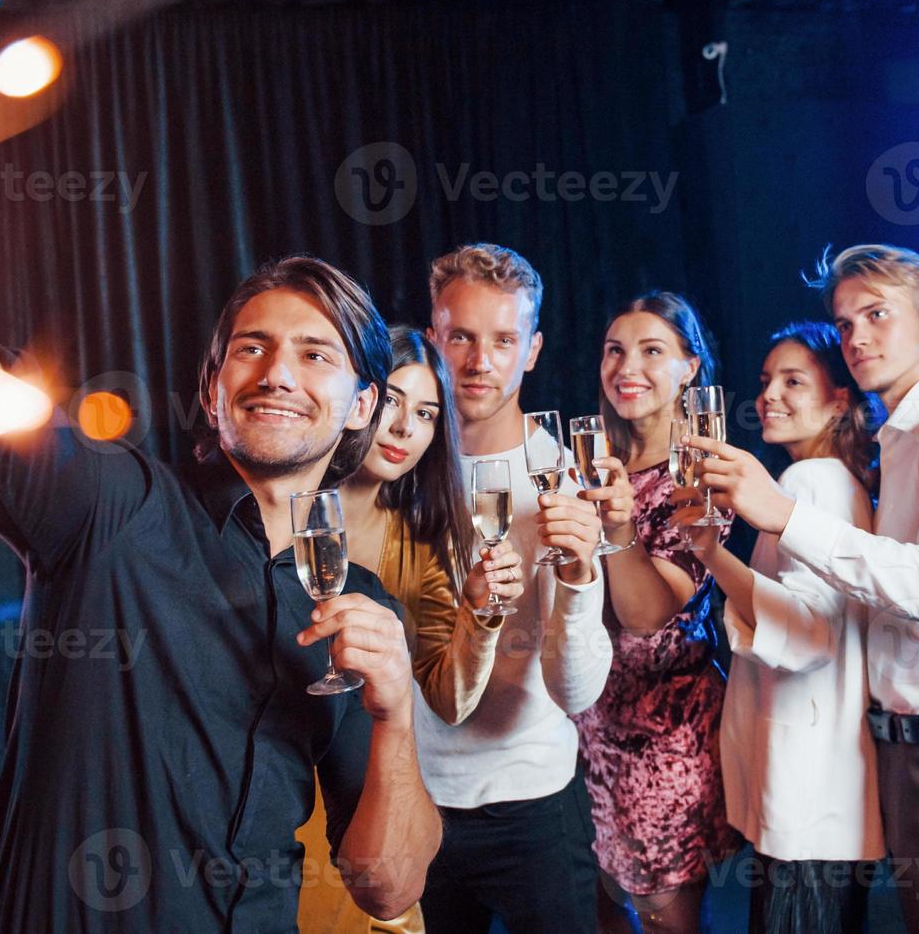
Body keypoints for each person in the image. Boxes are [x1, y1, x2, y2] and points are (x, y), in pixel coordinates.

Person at [0, 234, 442, 931]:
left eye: (315, 355)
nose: (277, 374)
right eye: (250, 348)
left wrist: (394, 717)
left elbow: (386, 887)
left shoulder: (360, 603)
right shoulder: (111, 504)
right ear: (211, 389)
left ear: (360, 406)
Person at [691, 245, 919, 933]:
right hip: (907, 748)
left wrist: (783, 517)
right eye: (845, 321)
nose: (855, 336)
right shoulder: (900, 443)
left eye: (876, 314)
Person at [295, 325, 524, 934]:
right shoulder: (284, 507)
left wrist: (481, 612)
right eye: (394, 400)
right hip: (267, 787)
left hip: (361, 800)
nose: (404, 429)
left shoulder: (420, 546)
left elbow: (449, 700)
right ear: (359, 397)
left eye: (426, 414)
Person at [419, 243, 609, 934]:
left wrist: (582, 575)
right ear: (433, 337)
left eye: (502, 340)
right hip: (414, 798)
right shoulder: (397, 463)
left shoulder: (560, 475)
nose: (478, 361)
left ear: (530, 350)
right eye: (461, 336)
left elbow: (577, 693)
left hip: (533, 801)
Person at [681, 320, 885, 933]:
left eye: (794, 381)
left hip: (809, 790)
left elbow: (806, 634)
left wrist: (712, 554)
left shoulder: (807, 483)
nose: (768, 394)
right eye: (767, 380)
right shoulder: (837, 482)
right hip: (824, 789)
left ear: (839, 399)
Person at [573, 291, 740, 934]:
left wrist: (617, 528)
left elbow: (648, 617)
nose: (627, 366)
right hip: (589, 732)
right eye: (615, 350)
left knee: (666, 919)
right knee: (599, 911)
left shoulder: (700, 476)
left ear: (690, 368)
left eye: (652, 350)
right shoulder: (584, 466)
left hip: (663, 742)